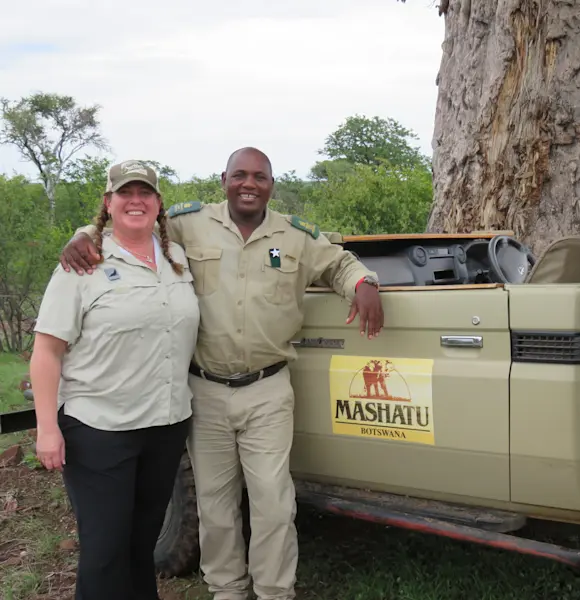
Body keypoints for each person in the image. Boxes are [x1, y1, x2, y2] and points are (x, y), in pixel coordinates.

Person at [58, 146, 384, 600]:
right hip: (205, 389)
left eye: (260, 177)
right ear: (224, 180)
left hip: (268, 389)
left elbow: (339, 263)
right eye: (240, 175)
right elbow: (130, 223)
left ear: (272, 185)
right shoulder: (189, 224)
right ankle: (226, 590)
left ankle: (274, 592)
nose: (249, 184)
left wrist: (364, 284)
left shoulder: (294, 236)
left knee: (274, 502)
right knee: (214, 503)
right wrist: (83, 234)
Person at [30, 160, 200, 600]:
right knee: (105, 553)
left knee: (140, 547)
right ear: (109, 202)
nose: (136, 201)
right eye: (126, 193)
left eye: (145, 193)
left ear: (159, 203)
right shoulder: (82, 263)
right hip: (99, 430)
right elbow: (47, 351)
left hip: (164, 425)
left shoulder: (177, 259)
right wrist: (47, 428)